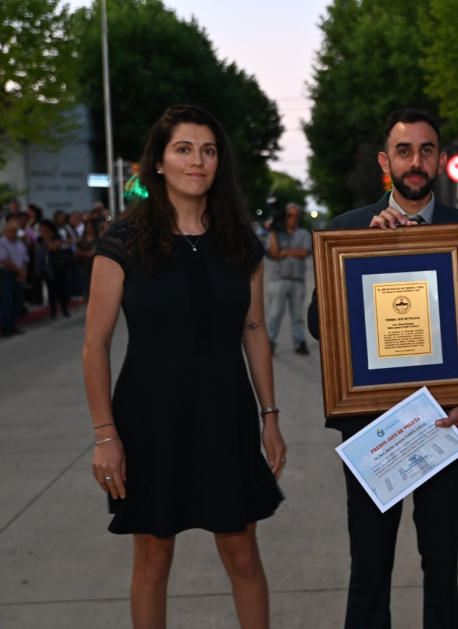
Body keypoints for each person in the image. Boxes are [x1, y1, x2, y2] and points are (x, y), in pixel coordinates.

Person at [82, 105, 285, 628]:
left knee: (243, 555)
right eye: (184, 149)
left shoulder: (242, 241)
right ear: (159, 162)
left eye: (209, 150)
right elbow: (95, 344)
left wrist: (270, 415)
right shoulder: (122, 241)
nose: (198, 161)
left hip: (226, 413)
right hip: (149, 419)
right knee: (153, 560)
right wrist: (106, 434)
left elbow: (255, 331)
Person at [306, 108, 458, 629]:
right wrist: (366, 251)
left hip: (444, 422)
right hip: (374, 428)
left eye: (427, 150)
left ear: (439, 157)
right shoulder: (348, 229)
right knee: (369, 568)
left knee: (442, 568)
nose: (416, 161)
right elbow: (319, 325)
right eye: (404, 151)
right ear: (385, 161)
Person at [266, 202, 312, 355]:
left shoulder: (303, 234)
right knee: (274, 314)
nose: (293, 219)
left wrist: (285, 251)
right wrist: (272, 231)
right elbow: (273, 253)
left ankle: (299, 342)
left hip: (297, 280)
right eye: (290, 215)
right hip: (279, 279)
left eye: (296, 216)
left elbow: (305, 252)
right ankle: (270, 341)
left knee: (298, 315)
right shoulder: (276, 234)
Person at [0, 218, 29, 337]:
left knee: (17, 301)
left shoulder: (19, 243)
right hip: (7, 274)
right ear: (5, 231)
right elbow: (4, 260)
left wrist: (24, 272)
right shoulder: (2, 243)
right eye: (10, 231)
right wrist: (19, 272)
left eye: (14, 231)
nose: (12, 233)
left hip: (19, 274)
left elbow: (26, 258)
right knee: (7, 301)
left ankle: (13, 325)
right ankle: (6, 327)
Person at [75, 218, 100, 299]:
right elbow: (78, 251)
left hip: (95, 266)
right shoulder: (82, 240)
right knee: (86, 286)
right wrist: (86, 254)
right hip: (84, 266)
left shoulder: (98, 239)